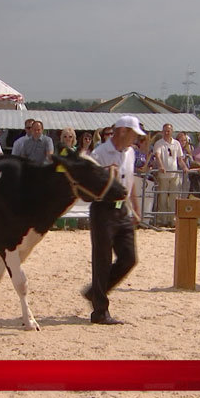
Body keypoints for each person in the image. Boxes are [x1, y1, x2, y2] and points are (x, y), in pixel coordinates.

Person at [82, 115, 142, 325]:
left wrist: (135, 206)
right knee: (103, 260)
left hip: (122, 210)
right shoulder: (100, 153)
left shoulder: (130, 152)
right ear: (123, 131)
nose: (136, 138)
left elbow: (131, 181)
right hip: (103, 210)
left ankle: (95, 292)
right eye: (134, 133)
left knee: (129, 258)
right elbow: (90, 185)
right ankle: (100, 311)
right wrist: (106, 174)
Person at [152, 123, 188, 227]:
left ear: (172, 131)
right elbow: (157, 155)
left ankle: (172, 220)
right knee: (162, 198)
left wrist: (185, 167)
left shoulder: (176, 143)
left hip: (174, 174)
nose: (167, 132)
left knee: (174, 198)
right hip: (163, 175)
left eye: (169, 130)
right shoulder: (159, 143)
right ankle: (162, 220)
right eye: (165, 130)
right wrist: (161, 166)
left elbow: (180, 159)